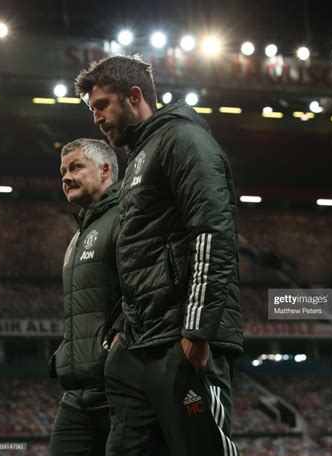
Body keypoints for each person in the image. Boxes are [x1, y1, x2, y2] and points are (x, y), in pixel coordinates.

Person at [75, 55, 243, 456]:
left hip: (179, 341)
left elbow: (211, 232)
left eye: (102, 105)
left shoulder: (184, 139)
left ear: (134, 96)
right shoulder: (140, 156)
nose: (96, 118)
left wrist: (196, 334)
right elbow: (139, 256)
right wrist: (121, 331)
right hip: (139, 345)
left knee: (200, 449)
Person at [49, 138, 123, 455]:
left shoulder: (129, 216)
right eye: (63, 170)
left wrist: (118, 345)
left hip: (118, 389)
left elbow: (149, 288)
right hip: (76, 393)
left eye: (76, 167)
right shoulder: (78, 236)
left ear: (105, 169)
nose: (66, 177)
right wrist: (66, 352)